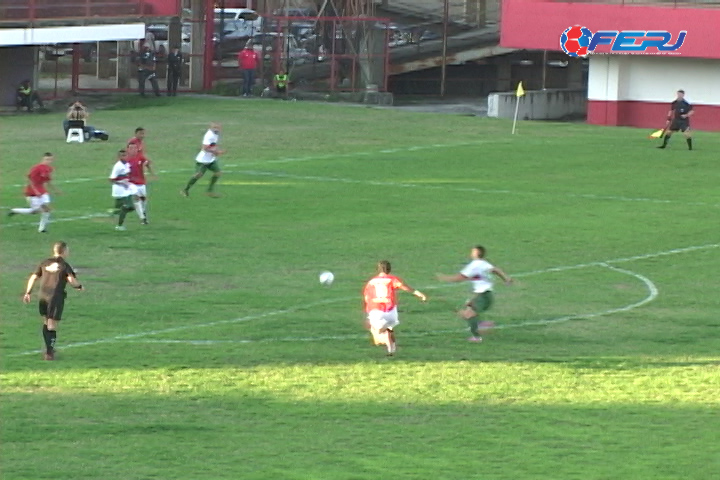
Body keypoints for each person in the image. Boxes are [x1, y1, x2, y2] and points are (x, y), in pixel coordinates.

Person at [22, 241, 84, 360]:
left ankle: (48, 348)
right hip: (56, 296)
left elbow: (33, 277)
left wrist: (28, 292)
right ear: (64, 251)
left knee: (46, 321)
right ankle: (49, 352)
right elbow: (71, 279)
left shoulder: (44, 263)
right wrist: (79, 286)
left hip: (43, 295)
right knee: (52, 324)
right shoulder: (64, 265)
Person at [437, 245, 513, 342]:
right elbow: (496, 270)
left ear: (477, 253)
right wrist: (506, 278)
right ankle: (482, 324)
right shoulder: (484, 263)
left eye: (473, 251)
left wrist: (444, 278)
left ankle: (477, 336)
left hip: (483, 295)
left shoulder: (475, 265)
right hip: (484, 294)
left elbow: (460, 278)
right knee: (465, 312)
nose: (471, 253)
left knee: (468, 314)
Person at [363, 260, 427, 356]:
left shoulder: (371, 282)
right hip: (391, 312)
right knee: (389, 327)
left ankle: (383, 338)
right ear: (389, 269)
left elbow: (367, 298)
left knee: (375, 334)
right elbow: (404, 287)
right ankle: (391, 350)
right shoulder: (392, 279)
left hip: (377, 310)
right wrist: (419, 294)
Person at [7, 153, 60, 233]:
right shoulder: (36, 168)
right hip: (31, 193)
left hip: (42, 192)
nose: (48, 161)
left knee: (46, 209)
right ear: (43, 159)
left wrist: (55, 190)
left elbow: (48, 181)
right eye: (47, 159)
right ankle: (15, 210)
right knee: (35, 211)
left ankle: (42, 229)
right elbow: (30, 180)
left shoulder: (48, 169)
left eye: (50, 160)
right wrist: (36, 191)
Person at [181, 123, 224, 198]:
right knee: (198, 175)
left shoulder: (216, 134)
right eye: (215, 127)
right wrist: (216, 152)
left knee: (218, 173)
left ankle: (210, 191)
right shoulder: (209, 135)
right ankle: (185, 189)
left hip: (210, 159)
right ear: (211, 128)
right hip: (203, 160)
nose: (216, 129)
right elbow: (205, 148)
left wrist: (215, 151)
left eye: (218, 127)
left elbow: (213, 145)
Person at [109, 149, 137, 231]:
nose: (124, 157)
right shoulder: (117, 166)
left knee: (122, 208)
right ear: (119, 157)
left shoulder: (127, 164)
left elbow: (127, 176)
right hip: (119, 190)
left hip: (126, 190)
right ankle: (119, 225)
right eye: (122, 155)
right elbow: (111, 179)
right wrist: (122, 183)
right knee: (128, 206)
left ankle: (114, 213)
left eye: (125, 155)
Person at [126, 141, 154, 224]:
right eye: (131, 148)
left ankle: (143, 213)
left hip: (141, 182)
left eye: (134, 148)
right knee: (136, 198)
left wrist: (151, 172)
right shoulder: (126, 160)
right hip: (131, 183)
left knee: (143, 199)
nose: (133, 150)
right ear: (128, 149)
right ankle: (142, 218)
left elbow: (147, 163)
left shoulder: (140, 157)